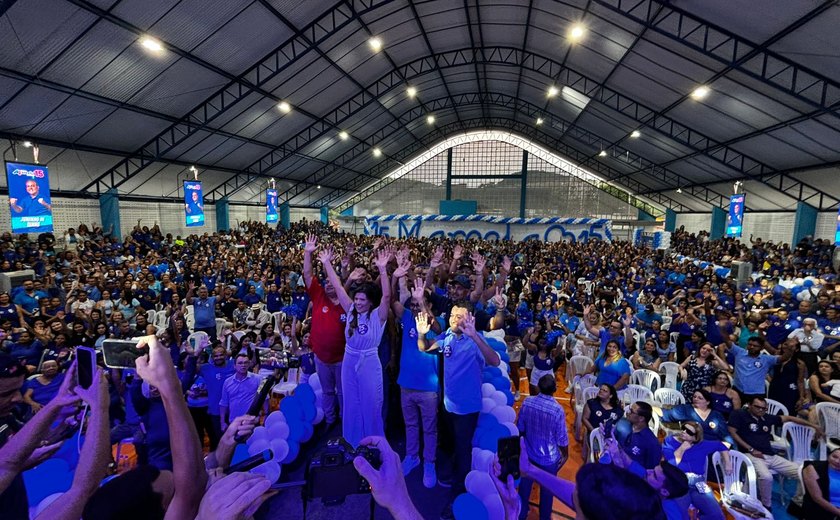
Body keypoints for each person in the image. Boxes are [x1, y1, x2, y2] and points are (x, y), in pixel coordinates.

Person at [84, 335, 207, 519]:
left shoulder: (172, 400)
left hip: (177, 452)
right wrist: (138, 376)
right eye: (151, 386)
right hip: (158, 455)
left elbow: (188, 376)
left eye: (156, 385)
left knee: (185, 491)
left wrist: (193, 356)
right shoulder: (145, 404)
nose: (155, 388)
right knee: (181, 493)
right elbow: (135, 390)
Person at [416, 303, 501, 519]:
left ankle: (458, 497)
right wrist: (421, 334)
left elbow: (495, 360)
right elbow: (424, 348)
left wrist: (474, 336)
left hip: (467, 409)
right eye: (452, 315)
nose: (454, 319)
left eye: (459, 316)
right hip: (448, 405)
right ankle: (455, 476)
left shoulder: (475, 342)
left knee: (463, 452)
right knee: (453, 445)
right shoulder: (448, 337)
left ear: (469, 319)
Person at [318, 243, 392, 448]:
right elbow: (339, 286)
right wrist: (326, 263)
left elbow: (387, 296)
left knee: (371, 405)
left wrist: (383, 270)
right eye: (357, 299)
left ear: (370, 302)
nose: (358, 302)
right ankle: (352, 443)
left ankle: (374, 445)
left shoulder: (379, 316)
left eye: (362, 300)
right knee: (351, 404)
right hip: (349, 360)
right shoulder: (350, 310)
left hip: (369, 361)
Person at [728, 396, 821, 509]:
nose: (761, 410)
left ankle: (797, 503)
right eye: (757, 407)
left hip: (771, 456)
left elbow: (789, 418)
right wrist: (750, 449)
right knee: (767, 477)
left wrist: (814, 426)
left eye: (764, 408)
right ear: (749, 405)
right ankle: (766, 506)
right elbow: (732, 432)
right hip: (751, 455)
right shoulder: (739, 414)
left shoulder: (767, 418)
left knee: (805, 472)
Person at [392, 274, 441, 488]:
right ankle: (412, 456)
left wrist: (421, 302)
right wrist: (394, 276)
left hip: (428, 388)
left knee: (430, 428)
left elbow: (437, 330)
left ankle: (429, 462)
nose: (414, 306)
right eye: (412, 303)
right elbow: (390, 300)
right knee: (410, 424)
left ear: (428, 304)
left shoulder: (435, 321)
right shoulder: (406, 318)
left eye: (419, 302)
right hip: (406, 383)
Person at [303, 234, 346, 428]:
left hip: (343, 359)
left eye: (332, 282)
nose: (328, 284)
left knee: (344, 392)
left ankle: (345, 421)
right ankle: (330, 420)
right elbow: (307, 274)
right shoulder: (319, 296)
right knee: (328, 392)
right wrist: (307, 253)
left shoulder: (347, 304)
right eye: (326, 282)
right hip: (321, 358)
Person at [517, 374, 569, 520]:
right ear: (555, 389)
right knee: (547, 492)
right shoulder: (557, 410)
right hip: (549, 459)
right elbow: (562, 439)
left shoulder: (527, 402)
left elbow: (520, 427)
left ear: (538, 387)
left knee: (524, 489)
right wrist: (566, 454)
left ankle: (521, 514)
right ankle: (545, 517)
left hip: (528, 454)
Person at [662, 421, 731, 520]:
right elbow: (671, 464)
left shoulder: (702, 444)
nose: (684, 432)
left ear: (696, 437)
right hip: (678, 483)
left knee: (717, 515)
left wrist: (728, 463)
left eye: (689, 432)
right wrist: (682, 449)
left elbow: (721, 445)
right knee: (680, 515)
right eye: (683, 428)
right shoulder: (670, 441)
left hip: (698, 483)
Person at [658, 389, 734, 445]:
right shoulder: (686, 409)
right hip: (693, 444)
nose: (696, 399)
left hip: (713, 445)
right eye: (694, 397)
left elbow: (725, 435)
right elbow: (666, 414)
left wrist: (729, 446)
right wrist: (650, 408)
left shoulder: (716, 415)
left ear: (707, 402)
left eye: (700, 398)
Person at [219, 353, 262, 432]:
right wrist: (222, 422)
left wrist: (265, 415)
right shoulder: (227, 382)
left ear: (249, 364)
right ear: (234, 366)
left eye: (246, 363)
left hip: (252, 421)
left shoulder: (258, 379)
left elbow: (264, 398)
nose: (243, 365)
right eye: (240, 363)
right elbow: (223, 403)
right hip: (233, 421)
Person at [799, 447, 840, 519]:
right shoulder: (813, 469)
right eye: (834, 456)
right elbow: (817, 499)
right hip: (824, 509)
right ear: (828, 456)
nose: (837, 461)